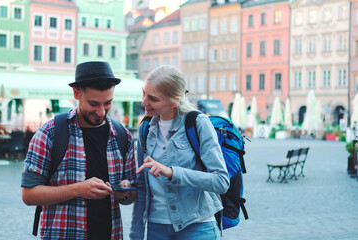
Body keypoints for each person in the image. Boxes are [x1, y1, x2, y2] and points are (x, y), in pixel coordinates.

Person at [21, 61, 137, 240]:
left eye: (107, 103)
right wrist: (78, 190)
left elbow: (131, 195)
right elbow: (29, 194)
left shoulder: (123, 136)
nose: (101, 112)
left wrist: (125, 192)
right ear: (76, 93)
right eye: (93, 104)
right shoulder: (50, 133)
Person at [129, 65, 230, 240]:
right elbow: (143, 187)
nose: (144, 102)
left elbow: (221, 181)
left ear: (174, 101)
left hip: (197, 227)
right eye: (143, 93)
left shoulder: (198, 123)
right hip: (156, 228)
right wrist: (136, 234)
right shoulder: (145, 128)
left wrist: (172, 172)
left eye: (152, 98)